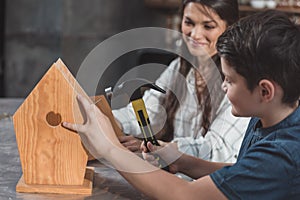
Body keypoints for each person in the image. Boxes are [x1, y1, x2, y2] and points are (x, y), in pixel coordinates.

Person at [63, 10, 300, 199]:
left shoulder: (282, 155)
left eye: (229, 80)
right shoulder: (267, 117)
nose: (223, 85)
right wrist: (184, 162)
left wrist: (108, 148)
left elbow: (185, 194)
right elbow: (240, 176)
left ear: (265, 91)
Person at [113, 0, 250, 163]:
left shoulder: (237, 79)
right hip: (176, 177)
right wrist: (109, 120)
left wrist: (161, 148)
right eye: (189, 23)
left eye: (208, 26)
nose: (195, 34)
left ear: (229, 28)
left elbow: (215, 149)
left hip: (209, 185)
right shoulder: (180, 66)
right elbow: (150, 110)